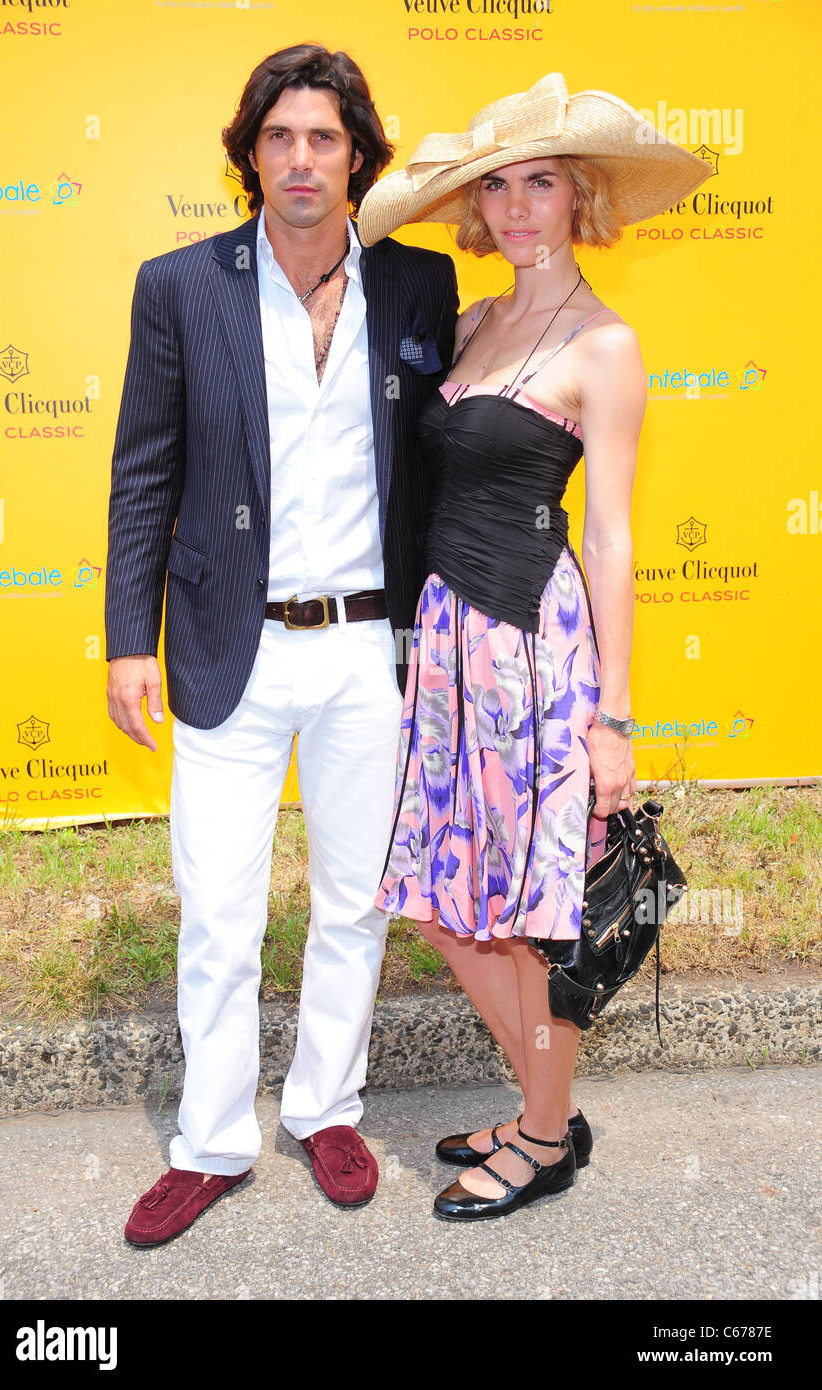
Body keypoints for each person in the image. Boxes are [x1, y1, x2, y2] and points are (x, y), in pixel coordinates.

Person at [105, 43, 457, 1246]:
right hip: (222, 642)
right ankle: (210, 1141)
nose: (300, 158)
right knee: (219, 909)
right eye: (279, 137)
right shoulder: (182, 285)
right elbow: (144, 468)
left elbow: (437, 470)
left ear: (357, 154)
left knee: (353, 900)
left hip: (368, 648)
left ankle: (326, 1106)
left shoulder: (417, 291)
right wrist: (125, 639)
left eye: (323, 137)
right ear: (248, 153)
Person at [357, 71, 713, 1222]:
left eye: (540, 183)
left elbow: (608, 533)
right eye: (497, 186)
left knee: (526, 908)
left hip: (534, 651)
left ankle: (545, 1134)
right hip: (449, 650)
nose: (515, 207)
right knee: (446, 902)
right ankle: (543, 1100)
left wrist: (614, 714)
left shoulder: (605, 344)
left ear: (579, 198)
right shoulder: (473, 320)